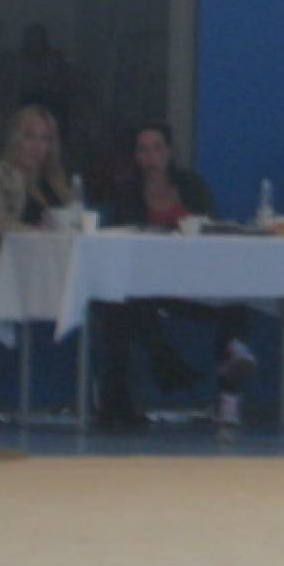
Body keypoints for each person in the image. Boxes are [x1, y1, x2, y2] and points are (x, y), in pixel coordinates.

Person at [95, 121, 255, 427]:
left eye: (157, 148)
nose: (151, 157)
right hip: (148, 284)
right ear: (136, 156)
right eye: (143, 150)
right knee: (124, 305)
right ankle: (144, 382)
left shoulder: (192, 186)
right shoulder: (127, 193)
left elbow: (209, 226)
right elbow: (121, 237)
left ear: (168, 151)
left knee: (236, 304)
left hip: (193, 283)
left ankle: (228, 395)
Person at [0, 103, 72, 414]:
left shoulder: (57, 185)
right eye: (29, 136)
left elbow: (73, 224)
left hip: (50, 275)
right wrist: (40, 234)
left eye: (44, 139)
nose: (36, 146)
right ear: (15, 138)